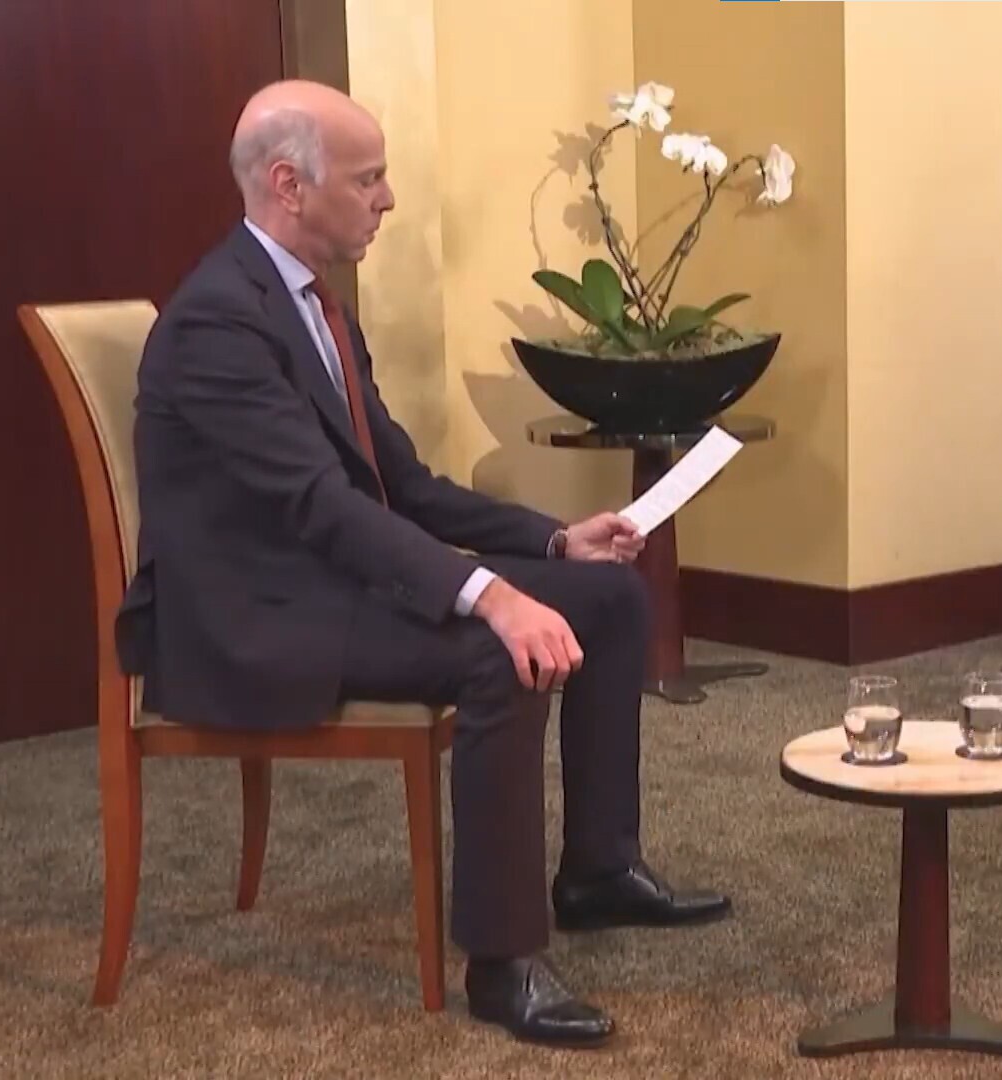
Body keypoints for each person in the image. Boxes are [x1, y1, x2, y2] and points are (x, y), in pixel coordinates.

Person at [117, 80, 730, 1048]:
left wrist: (551, 541)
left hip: (328, 581)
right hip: (259, 614)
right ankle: (503, 959)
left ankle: (599, 871)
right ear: (289, 185)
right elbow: (322, 508)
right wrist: (491, 596)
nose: (388, 198)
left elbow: (397, 481)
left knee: (610, 595)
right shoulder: (216, 325)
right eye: (368, 179)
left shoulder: (314, 305)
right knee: (499, 653)